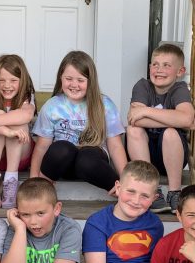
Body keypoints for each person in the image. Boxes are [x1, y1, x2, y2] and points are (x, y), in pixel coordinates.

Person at [31, 50, 126, 193]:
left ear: (90, 81)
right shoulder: (52, 106)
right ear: (60, 78)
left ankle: (121, 191)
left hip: (93, 163)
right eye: (69, 78)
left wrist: (126, 180)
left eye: (80, 80)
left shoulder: (104, 104)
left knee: (86, 158)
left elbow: (115, 146)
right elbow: (42, 147)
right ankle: (42, 189)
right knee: (61, 149)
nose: (74, 84)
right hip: (64, 165)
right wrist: (33, 179)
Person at [126, 43, 195, 213]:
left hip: (172, 156)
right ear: (150, 67)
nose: (159, 70)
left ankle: (174, 193)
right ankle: (152, 190)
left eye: (167, 65)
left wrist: (145, 111)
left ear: (180, 72)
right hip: (144, 156)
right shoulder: (143, 86)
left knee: (171, 133)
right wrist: (177, 119)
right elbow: (134, 120)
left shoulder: (179, 89)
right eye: (155, 65)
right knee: (133, 130)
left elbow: (186, 117)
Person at [0, 54, 36, 210]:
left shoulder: (26, 97)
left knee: (15, 120)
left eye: (13, 81)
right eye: (1, 80)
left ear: (22, 81)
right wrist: (6, 132)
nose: (7, 85)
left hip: (19, 157)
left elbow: (26, 115)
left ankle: (10, 183)